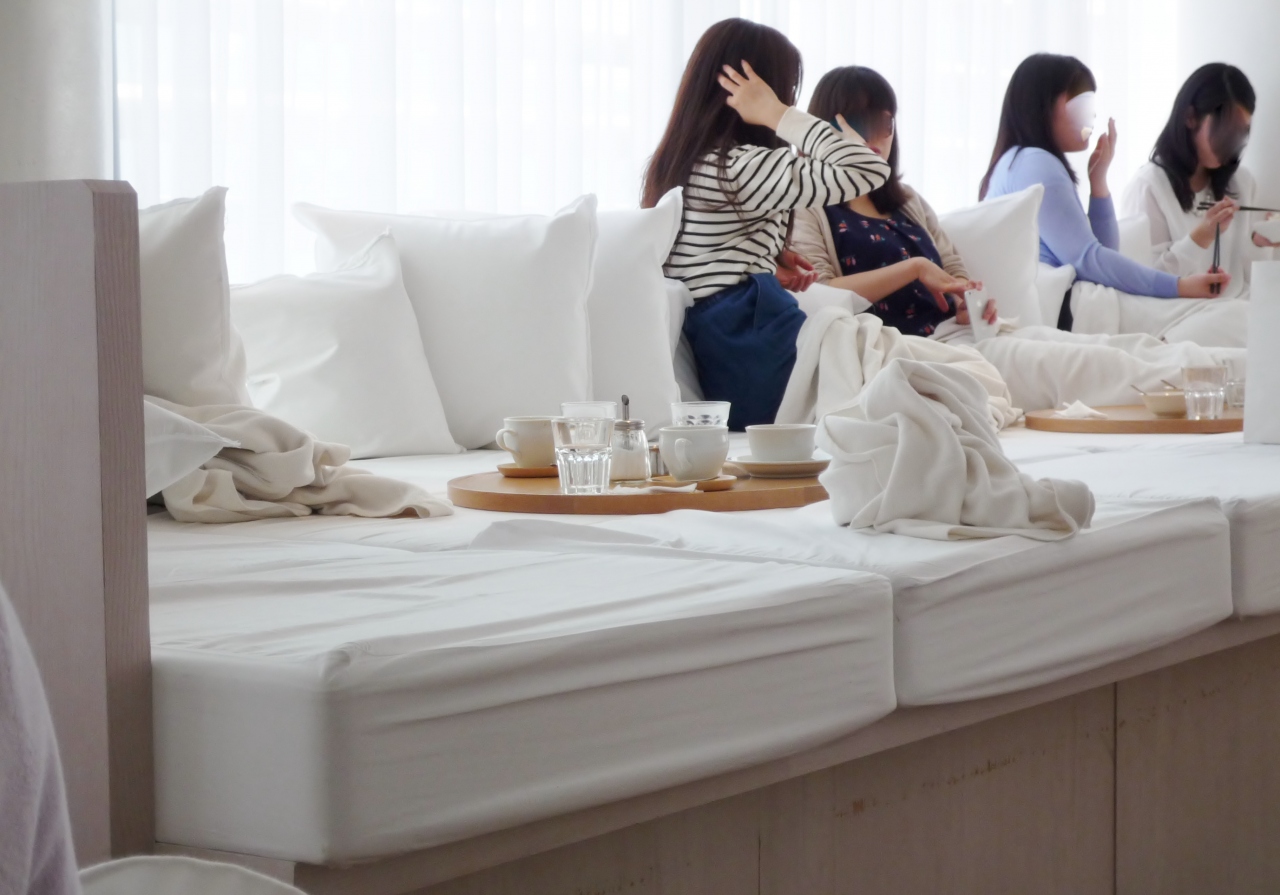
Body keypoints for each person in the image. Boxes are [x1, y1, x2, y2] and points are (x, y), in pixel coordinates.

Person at [642, 18, 890, 429]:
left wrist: (766, 260)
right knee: (928, 374)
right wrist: (777, 114)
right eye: (786, 88)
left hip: (733, 348)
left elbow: (703, 262)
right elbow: (868, 169)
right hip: (754, 345)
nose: (789, 98)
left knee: (923, 369)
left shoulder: (687, 163)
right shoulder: (739, 166)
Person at [980, 53, 1228, 328]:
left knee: (1216, 318)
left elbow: (1101, 253)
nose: (1092, 115)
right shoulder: (1035, 163)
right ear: (1043, 105)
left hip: (1065, 304)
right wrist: (1179, 286)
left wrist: (1098, 183)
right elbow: (1088, 259)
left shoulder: (1018, 161)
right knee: (1220, 319)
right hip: (1059, 309)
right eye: (1081, 102)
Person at [792, 65, 997, 339]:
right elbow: (820, 292)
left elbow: (952, 266)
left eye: (884, 122)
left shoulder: (908, 199)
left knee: (1047, 348)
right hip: (890, 346)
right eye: (858, 122)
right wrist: (914, 268)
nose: (872, 135)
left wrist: (966, 302)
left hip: (954, 335)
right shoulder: (806, 204)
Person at [1123, 63, 1278, 296]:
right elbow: (1144, 284)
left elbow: (1247, 282)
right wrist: (1201, 236)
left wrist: (1259, 244)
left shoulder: (1241, 183)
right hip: (1178, 312)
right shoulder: (1148, 187)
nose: (1231, 144)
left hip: (1235, 308)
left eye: (1240, 134)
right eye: (1225, 131)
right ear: (1190, 117)